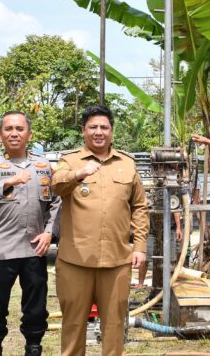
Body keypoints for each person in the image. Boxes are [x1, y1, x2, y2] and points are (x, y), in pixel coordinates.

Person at [52, 105, 148, 356]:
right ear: (83, 130)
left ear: (111, 131)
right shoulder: (70, 161)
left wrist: (140, 246)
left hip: (117, 261)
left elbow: (139, 206)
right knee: (73, 326)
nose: (98, 132)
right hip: (76, 260)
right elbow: (57, 185)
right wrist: (78, 174)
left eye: (104, 127)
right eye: (93, 127)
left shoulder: (127, 164)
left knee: (114, 327)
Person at [0, 111, 59, 356]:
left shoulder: (44, 167)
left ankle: (33, 347)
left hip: (34, 249)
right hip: (1, 250)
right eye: (8, 129)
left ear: (29, 135)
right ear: (0, 135)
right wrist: (8, 182)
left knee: (36, 308)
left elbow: (57, 203)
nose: (14, 133)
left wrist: (49, 233)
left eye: (20, 129)